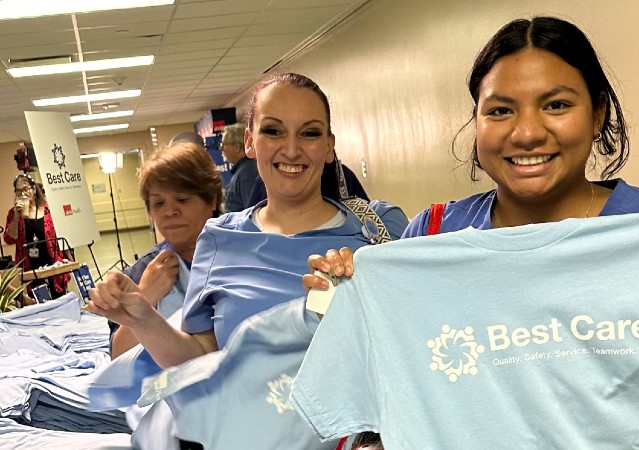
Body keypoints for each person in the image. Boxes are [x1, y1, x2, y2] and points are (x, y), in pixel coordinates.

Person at [303, 16, 639, 445]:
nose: (527, 132)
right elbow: (383, 400)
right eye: (500, 110)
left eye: (556, 105)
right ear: (476, 123)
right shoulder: (431, 241)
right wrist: (345, 304)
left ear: (597, 114)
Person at [87, 71, 408, 369]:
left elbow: (415, 335)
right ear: (250, 143)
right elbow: (202, 357)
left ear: (328, 147)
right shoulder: (219, 240)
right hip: (249, 414)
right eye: (273, 131)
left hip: (359, 414)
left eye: (309, 133)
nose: (291, 150)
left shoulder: (379, 228)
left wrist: (366, 295)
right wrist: (144, 318)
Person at [107, 141, 222, 359]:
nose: (170, 212)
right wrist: (145, 297)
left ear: (212, 200)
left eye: (182, 199)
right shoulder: (144, 272)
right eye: (158, 203)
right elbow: (118, 355)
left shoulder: (243, 252)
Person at [3, 174, 71, 299]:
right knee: (38, 303)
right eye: (18, 191)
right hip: (30, 268)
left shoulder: (48, 210)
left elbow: (61, 235)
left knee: (59, 300)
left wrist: (70, 260)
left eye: (25, 189)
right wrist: (17, 216)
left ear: (34, 189)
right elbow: (9, 239)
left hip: (53, 265)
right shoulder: (13, 213)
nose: (22, 193)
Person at [220, 123, 260, 212]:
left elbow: (252, 213)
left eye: (223, 145)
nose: (221, 149)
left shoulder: (246, 174)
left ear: (237, 147)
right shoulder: (246, 170)